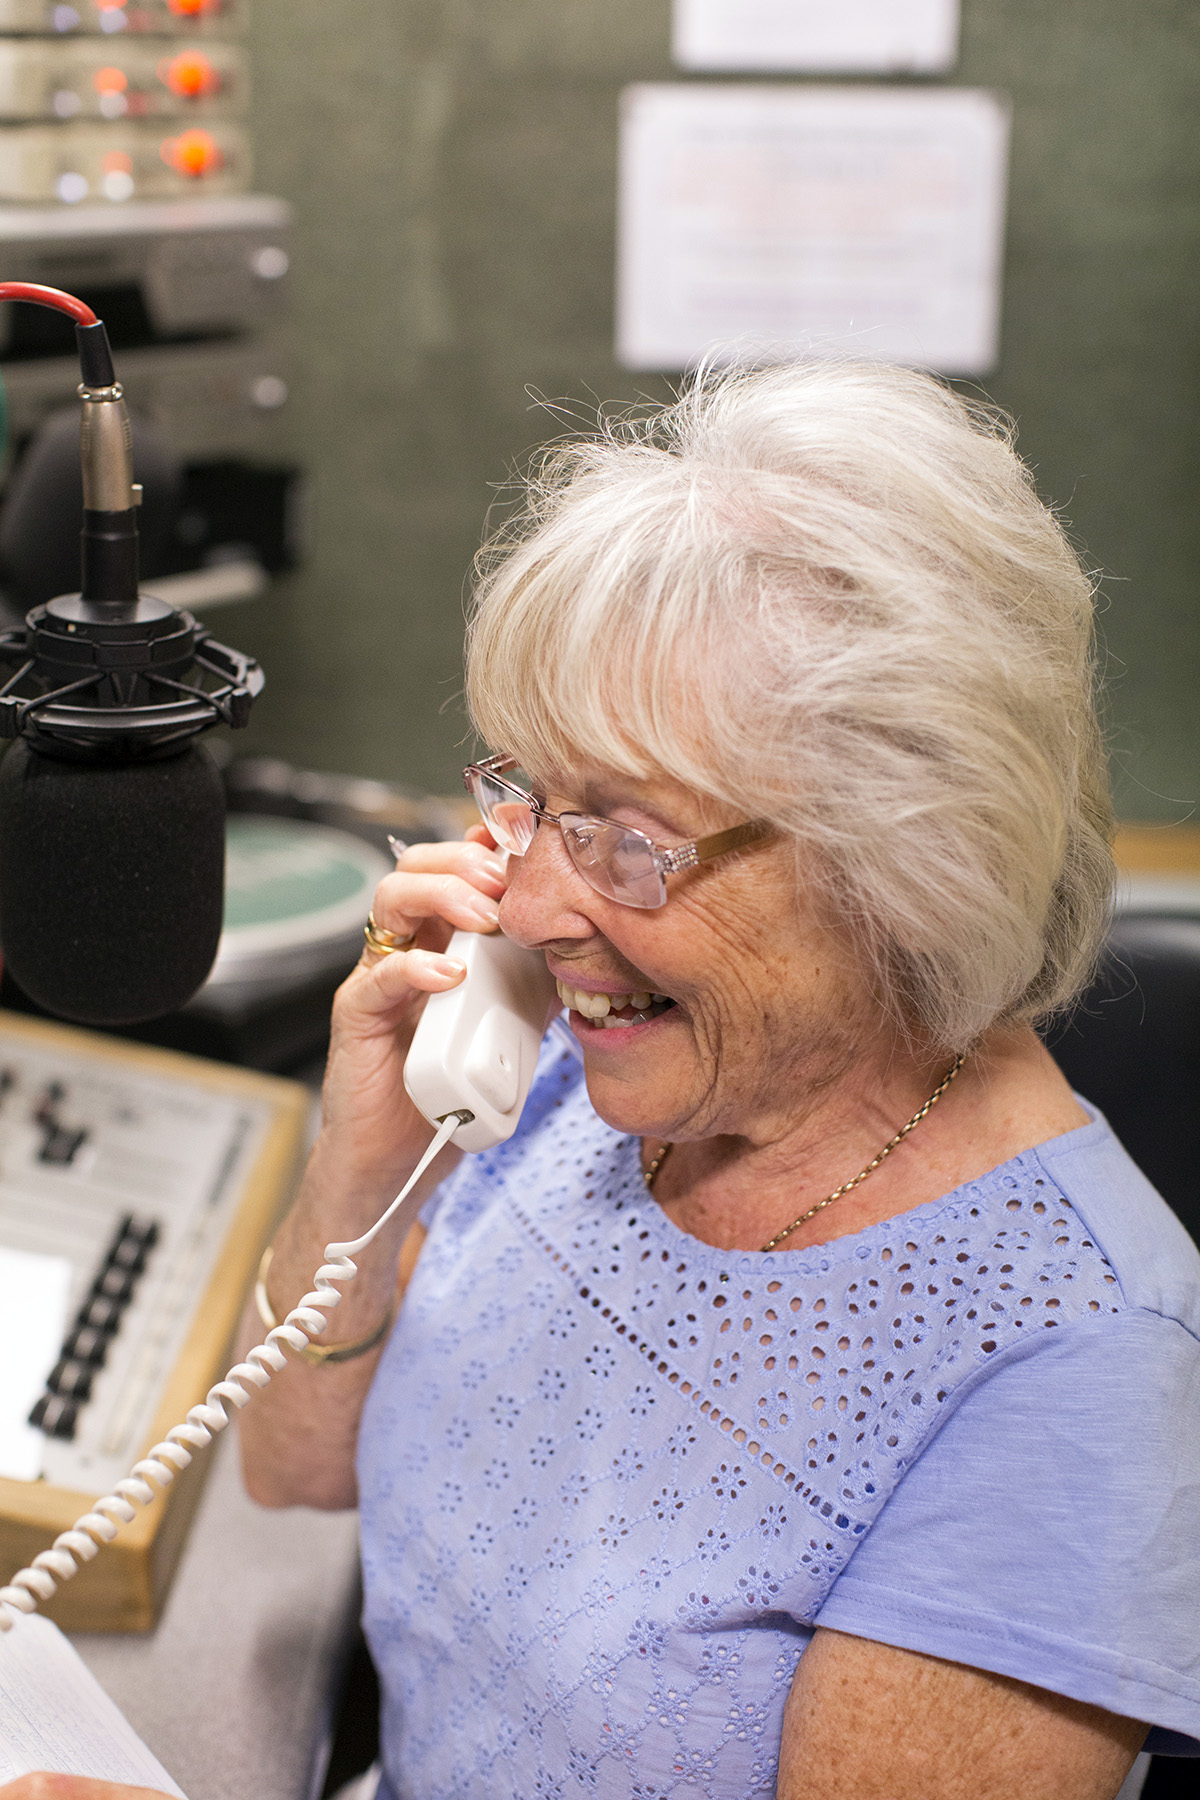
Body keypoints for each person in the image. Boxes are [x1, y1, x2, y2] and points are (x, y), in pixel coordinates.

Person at [8, 360, 1198, 1799]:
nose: (532, 905)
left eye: (630, 837)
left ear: (908, 856)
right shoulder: (587, 1071)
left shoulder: (1077, 1365)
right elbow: (294, 1468)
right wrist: (367, 1154)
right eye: (529, 799)